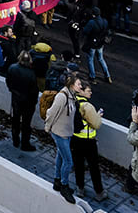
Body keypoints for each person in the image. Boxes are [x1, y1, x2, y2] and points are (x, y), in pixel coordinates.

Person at [43, 72, 85, 204]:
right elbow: (51, 112)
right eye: (79, 84)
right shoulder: (62, 97)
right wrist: (47, 127)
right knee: (68, 161)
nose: (81, 86)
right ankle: (64, 186)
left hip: (67, 132)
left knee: (61, 156)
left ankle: (57, 181)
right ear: (71, 85)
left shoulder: (73, 96)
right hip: (59, 133)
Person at [70, 78, 105, 202]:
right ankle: (99, 192)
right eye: (88, 91)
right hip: (88, 141)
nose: (91, 93)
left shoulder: (71, 100)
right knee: (93, 167)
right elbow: (96, 124)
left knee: (78, 165)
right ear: (81, 91)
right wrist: (98, 116)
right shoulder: (87, 106)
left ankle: (80, 188)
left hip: (75, 139)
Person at [7, 50, 39, 151]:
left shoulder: (12, 68)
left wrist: (13, 91)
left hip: (16, 99)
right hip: (28, 102)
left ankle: (15, 140)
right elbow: (34, 90)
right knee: (26, 123)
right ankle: (25, 143)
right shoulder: (31, 73)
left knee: (15, 120)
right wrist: (34, 101)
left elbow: (8, 82)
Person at [80, 7, 112, 83]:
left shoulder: (92, 22)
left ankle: (92, 76)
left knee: (90, 59)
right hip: (100, 43)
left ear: (93, 14)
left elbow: (85, 31)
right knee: (101, 59)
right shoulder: (105, 21)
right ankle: (107, 75)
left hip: (92, 43)